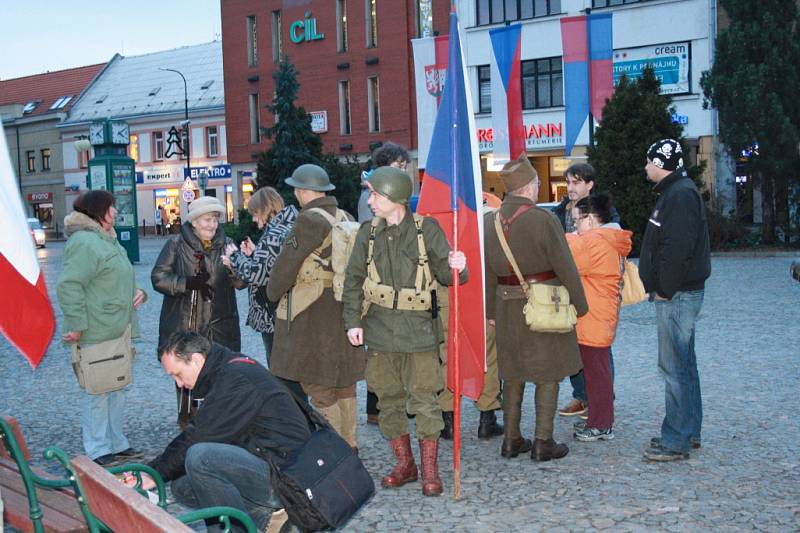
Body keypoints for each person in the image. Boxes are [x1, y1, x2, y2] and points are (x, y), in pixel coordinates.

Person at [343, 166, 467, 496]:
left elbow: (446, 274)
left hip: (420, 334)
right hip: (380, 333)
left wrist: (459, 266)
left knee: (426, 401)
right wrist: (353, 321)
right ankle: (405, 465)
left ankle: (430, 470)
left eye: (375, 195)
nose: (370, 201)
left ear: (394, 198)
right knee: (388, 401)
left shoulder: (428, 230)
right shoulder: (367, 233)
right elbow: (353, 280)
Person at [135, 331, 310, 533]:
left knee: (200, 458)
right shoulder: (225, 369)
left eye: (177, 374)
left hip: (289, 476)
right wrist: (152, 469)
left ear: (196, 360)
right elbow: (200, 433)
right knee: (183, 485)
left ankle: (242, 527)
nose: (178, 384)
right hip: (268, 460)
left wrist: (153, 474)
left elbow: (198, 437)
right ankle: (267, 517)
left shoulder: (235, 379)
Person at [484, 153, 588, 461]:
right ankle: (543, 441)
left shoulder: (490, 223)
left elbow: (489, 270)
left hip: (504, 308)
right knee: (548, 371)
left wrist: (490, 312)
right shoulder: (543, 219)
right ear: (529, 187)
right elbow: (565, 265)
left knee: (512, 372)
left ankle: (511, 440)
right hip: (544, 305)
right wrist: (580, 305)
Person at [267, 164, 364, 449]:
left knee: (318, 384)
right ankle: (350, 445)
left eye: (297, 188)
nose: (295, 193)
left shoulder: (309, 220)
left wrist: (273, 293)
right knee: (344, 382)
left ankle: (334, 450)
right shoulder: (345, 215)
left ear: (304, 191)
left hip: (313, 313)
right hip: (343, 308)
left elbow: (287, 265)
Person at [57, 190, 146, 467]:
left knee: (116, 387)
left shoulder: (108, 238)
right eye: (111, 207)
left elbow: (119, 276)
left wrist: (140, 292)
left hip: (118, 328)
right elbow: (70, 286)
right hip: (96, 328)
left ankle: (117, 443)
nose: (115, 212)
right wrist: (76, 325)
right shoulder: (84, 241)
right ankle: (97, 449)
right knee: (97, 391)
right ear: (99, 211)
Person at [639, 139, 710, 462]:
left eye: (649, 162)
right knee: (684, 364)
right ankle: (687, 430)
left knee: (674, 368)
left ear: (661, 163)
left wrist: (664, 288)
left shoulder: (678, 195)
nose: (645, 167)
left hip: (677, 295)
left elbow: (677, 248)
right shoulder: (676, 191)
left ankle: (676, 440)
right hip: (680, 292)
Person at [151, 196, 246, 429]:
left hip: (221, 324)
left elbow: (242, 283)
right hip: (186, 324)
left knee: (221, 377)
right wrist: (187, 283)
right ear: (194, 221)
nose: (212, 225)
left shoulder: (227, 243)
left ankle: (220, 427)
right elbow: (158, 278)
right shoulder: (176, 244)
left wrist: (235, 267)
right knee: (186, 380)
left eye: (215, 219)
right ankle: (189, 428)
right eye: (207, 219)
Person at [555, 163, 620, 420]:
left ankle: (602, 401)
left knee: (598, 348)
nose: (571, 188)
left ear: (589, 185)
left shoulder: (603, 214)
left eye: (576, 182)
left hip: (594, 291)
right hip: (571, 290)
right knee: (575, 345)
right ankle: (582, 396)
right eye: (569, 182)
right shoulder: (562, 210)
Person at [566, 193, 632, 442]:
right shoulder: (609, 239)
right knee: (597, 372)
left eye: (577, 221)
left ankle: (601, 424)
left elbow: (570, 256)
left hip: (593, 316)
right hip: (599, 314)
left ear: (591, 220)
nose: (575, 227)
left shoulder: (596, 242)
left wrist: (564, 236)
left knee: (597, 374)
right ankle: (599, 420)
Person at [358, 142, 411, 425]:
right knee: (380, 348)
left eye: (405, 167)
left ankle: (386, 405)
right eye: (399, 166)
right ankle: (377, 408)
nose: (404, 171)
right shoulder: (372, 197)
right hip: (380, 282)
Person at [223, 187, 299, 367]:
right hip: (286, 309)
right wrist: (256, 252)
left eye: (255, 213)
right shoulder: (289, 227)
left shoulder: (273, 234)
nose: (254, 219)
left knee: (280, 370)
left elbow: (257, 275)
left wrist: (235, 256)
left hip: (273, 314)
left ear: (265, 210)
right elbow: (275, 266)